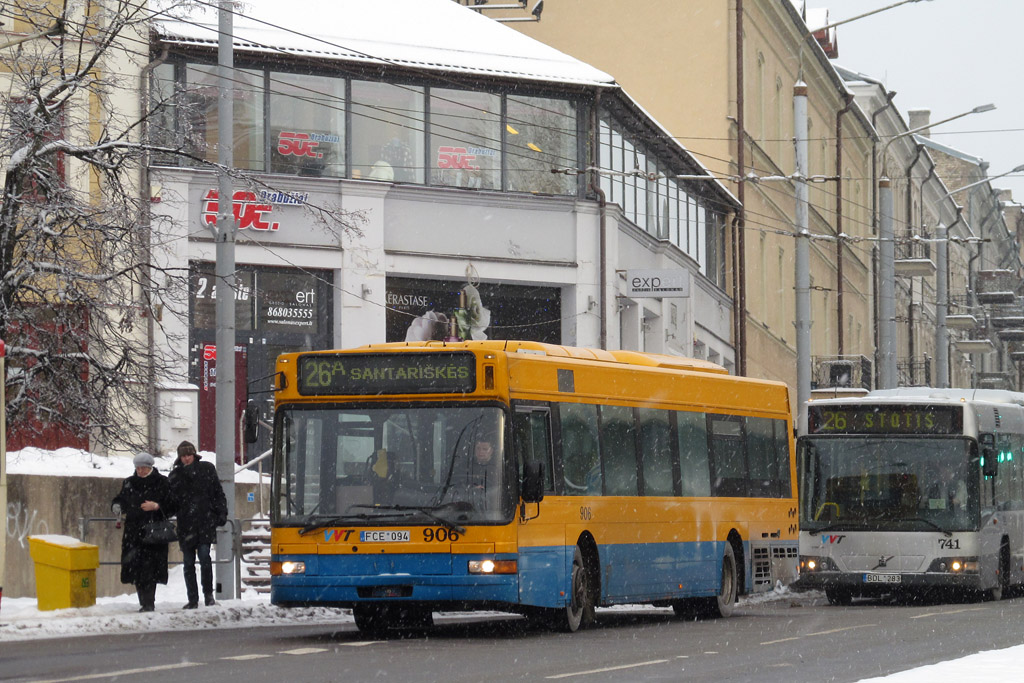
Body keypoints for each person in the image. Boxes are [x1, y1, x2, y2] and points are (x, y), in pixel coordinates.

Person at [111, 452, 176, 612]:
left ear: (150, 467)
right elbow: (121, 499)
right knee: (136, 569)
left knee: (149, 569)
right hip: (133, 532)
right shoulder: (129, 483)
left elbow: (173, 504)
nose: (140, 471)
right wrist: (116, 506)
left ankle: (148, 603)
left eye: (144, 468)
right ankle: (144, 602)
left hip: (153, 532)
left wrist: (157, 506)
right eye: (138, 468)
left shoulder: (162, 482)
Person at [168, 440, 228, 609]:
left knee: (204, 558)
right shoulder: (175, 476)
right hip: (187, 523)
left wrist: (221, 512)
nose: (187, 458)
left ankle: (208, 595)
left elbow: (217, 493)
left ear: (194, 455)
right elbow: (171, 501)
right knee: (188, 563)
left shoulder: (207, 469)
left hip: (203, 521)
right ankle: (193, 598)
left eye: (189, 455)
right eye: (184, 456)